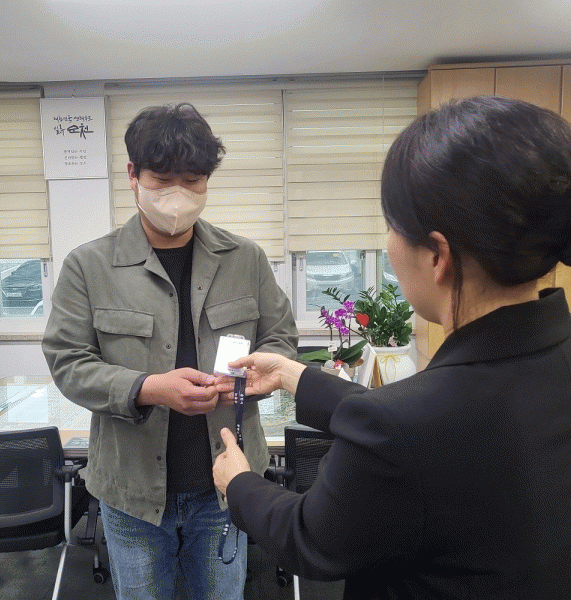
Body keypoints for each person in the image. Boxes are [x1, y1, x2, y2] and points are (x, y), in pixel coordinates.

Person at [212, 96, 571, 599]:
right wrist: (295, 376)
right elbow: (423, 425)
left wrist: (239, 483)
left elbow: (310, 538)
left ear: (439, 255)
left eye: (391, 226)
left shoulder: (406, 425)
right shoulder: (539, 365)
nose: (387, 244)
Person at [42, 103, 298, 600]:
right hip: (130, 492)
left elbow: (281, 341)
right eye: (162, 179)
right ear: (132, 175)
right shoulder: (89, 266)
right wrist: (148, 388)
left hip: (226, 484)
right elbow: (68, 363)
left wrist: (250, 379)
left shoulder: (246, 259)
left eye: (193, 179)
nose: (177, 194)